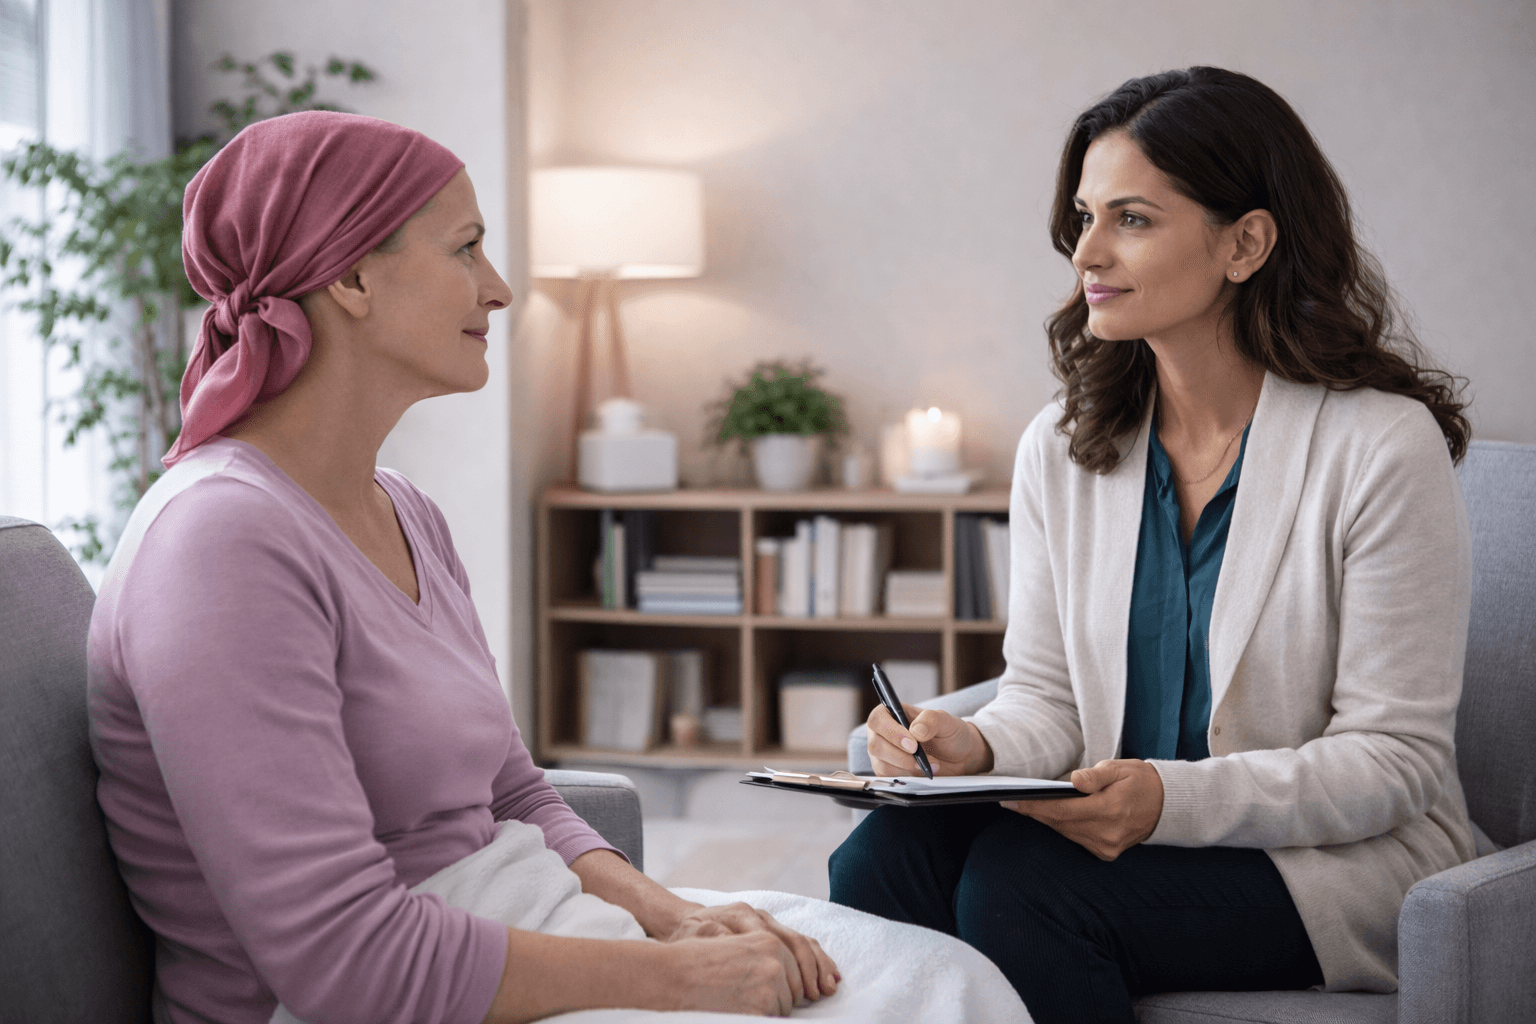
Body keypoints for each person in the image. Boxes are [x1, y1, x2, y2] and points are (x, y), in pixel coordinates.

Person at [88, 111, 838, 1024]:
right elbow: (346, 963)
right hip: (366, 1004)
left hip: (516, 934)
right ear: (353, 276)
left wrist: (679, 918)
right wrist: (680, 981)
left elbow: (514, 789)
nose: (500, 289)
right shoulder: (218, 545)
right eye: (467, 248)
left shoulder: (404, 509)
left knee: (932, 980)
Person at [830, 66, 1475, 1024]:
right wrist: (976, 743)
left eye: (1131, 218)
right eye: (1085, 216)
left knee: (1023, 890)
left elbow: (1393, 760)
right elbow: (1046, 696)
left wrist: (1170, 803)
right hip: (1114, 832)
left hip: (1330, 863)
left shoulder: (1379, 447)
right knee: (879, 857)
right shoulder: (1062, 443)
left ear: (1246, 242)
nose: (1087, 250)